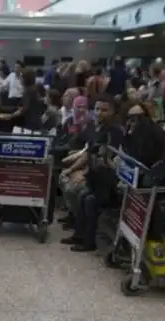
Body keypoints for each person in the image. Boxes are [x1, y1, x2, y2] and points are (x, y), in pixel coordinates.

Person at [60, 95, 122, 252]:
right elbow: (88, 153)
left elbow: (111, 161)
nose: (100, 113)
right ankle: (79, 235)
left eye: (104, 110)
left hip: (110, 183)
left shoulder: (115, 132)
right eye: (97, 109)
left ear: (113, 112)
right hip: (95, 178)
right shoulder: (96, 129)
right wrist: (74, 169)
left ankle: (89, 242)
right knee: (83, 196)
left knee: (89, 200)